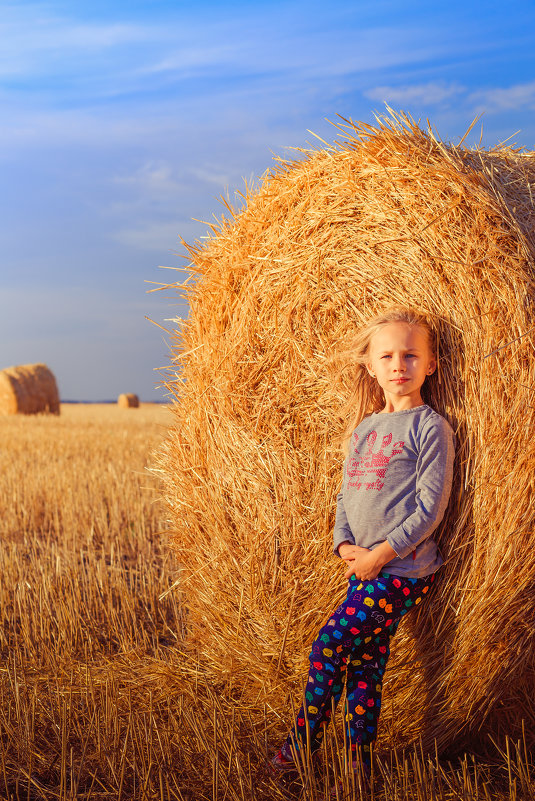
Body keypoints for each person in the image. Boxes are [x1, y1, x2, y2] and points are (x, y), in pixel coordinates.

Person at [270, 306, 455, 783]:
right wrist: (343, 545)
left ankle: (302, 743)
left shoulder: (429, 427)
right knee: (366, 665)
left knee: (327, 647)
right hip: (366, 566)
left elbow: (430, 511)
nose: (399, 365)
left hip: (402, 572)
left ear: (430, 365)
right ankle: (360, 760)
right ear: (371, 366)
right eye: (388, 356)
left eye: (411, 356)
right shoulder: (366, 429)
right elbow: (345, 493)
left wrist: (380, 555)